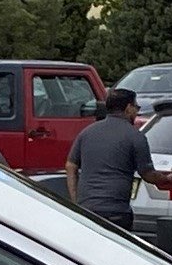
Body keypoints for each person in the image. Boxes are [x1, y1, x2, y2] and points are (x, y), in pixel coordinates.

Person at [66, 83, 165, 229]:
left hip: (86, 209)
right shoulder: (135, 136)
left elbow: (70, 165)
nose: (137, 111)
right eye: (136, 107)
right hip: (116, 212)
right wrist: (168, 179)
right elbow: (148, 175)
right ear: (128, 108)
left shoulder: (87, 132)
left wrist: (76, 201)